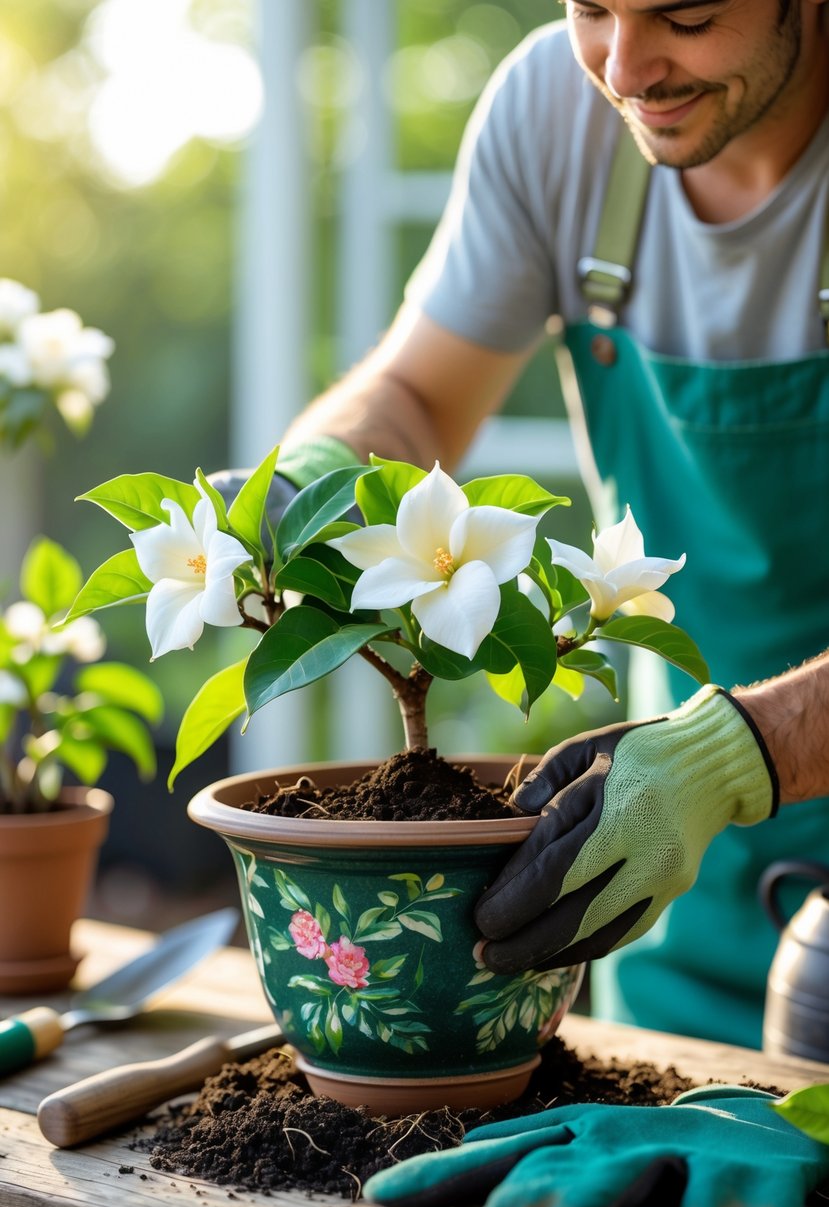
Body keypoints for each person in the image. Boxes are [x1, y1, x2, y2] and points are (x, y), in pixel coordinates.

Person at [216, 0, 829, 1053]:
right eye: (591, 6)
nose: (626, 66)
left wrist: (733, 759)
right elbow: (414, 393)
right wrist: (308, 488)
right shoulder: (558, 112)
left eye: (684, 13)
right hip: (680, 914)